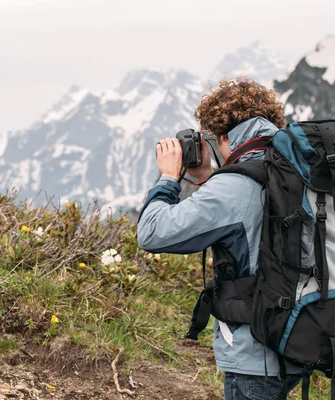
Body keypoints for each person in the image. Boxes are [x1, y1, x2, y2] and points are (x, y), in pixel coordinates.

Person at [136, 78, 301, 400]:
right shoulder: (292, 169)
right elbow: (250, 217)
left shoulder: (235, 187)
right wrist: (206, 179)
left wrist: (169, 177)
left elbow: (153, 233)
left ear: (224, 135)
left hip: (257, 352)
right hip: (302, 338)